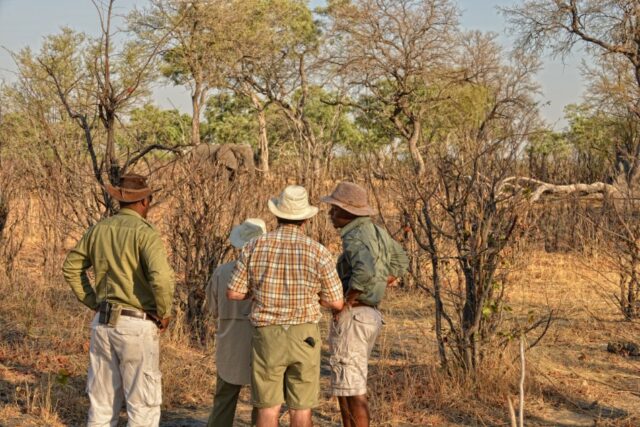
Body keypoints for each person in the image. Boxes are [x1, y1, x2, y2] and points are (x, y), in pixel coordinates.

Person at [62, 174, 175, 427]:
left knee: (101, 406)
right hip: (138, 324)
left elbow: (71, 267)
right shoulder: (145, 233)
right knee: (143, 408)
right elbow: (162, 278)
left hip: (102, 323)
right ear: (145, 201)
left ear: (119, 200)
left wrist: (93, 302)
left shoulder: (99, 229)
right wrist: (165, 312)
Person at [227, 185, 345, 427]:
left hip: (267, 335)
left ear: (276, 215)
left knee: (268, 408)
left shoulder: (254, 246)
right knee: (301, 409)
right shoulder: (319, 252)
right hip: (305, 336)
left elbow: (233, 292)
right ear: (306, 220)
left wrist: (256, 292)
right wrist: (317, 297)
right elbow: (337, 302)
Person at [321, 181, 409, 427]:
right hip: (370, 315)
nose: (331, 214)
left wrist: (346, 302)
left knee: (352, 387)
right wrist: (382, 280)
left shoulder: (355, 236)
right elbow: (401, 260)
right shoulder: (377, 230)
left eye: (335, 210)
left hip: (356, 314)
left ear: (348, 212)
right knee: (346, 384)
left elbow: (364, 271)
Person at [205, 218, 266, 427]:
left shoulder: (222, 272)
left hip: (229, 340)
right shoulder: (268, 273)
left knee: (224, 399)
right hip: (262, 342)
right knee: (263, 401)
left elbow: (213, 309)